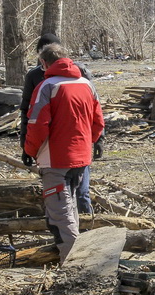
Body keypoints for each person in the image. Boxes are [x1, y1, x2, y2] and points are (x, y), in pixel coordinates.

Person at [24, 43, 105, 263]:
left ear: (43, 63)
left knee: (61, 215)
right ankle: (75, 257)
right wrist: (88, 143)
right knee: (70, 210)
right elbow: (98, 122)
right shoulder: (86, 84)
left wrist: (30, 150)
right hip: (81, 158)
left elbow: (37, 124)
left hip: (56, 159)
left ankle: (73, 266)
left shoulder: (47, 86)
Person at [20, 33, 100, 214]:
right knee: (62, 198)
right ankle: (69, 232)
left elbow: (94, 112)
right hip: (53, 147)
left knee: (80, 195)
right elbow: (29, 114)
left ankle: (81, 231)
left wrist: (96, 140)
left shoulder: (81, 76)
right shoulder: (35, 77)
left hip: (76, 145)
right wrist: (25, 145)